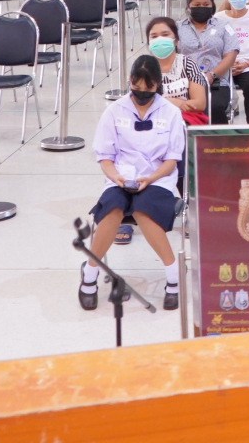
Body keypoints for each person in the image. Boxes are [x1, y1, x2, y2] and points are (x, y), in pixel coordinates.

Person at [79, 54, 185, 312]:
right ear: (130, 80)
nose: (141, 93)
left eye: (148, 89)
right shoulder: (114, 111)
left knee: (143, 210)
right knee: (112, 209)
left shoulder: (171, 113)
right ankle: (89, 276)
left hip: (158, 178)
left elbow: (172, 160)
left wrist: (151, 178)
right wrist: (115, 176)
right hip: (120, 178)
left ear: (158, 85)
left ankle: (173, 277)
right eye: (136, 87)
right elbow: (105, 156)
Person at [178, 0, 237, 125]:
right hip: (184, 83)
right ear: (189, 6)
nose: (201, 8)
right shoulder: (178, 27)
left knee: (214, 107)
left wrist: (212, 75)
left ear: (212, 5)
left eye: (206, 4)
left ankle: (219, 139)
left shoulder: (224, 26)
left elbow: (230, 56)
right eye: (197, 5)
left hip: (216, 82)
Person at [145, 16, 209, 127]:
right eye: (154, 36)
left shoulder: (188, 64)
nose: (160, 40)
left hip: (184, 120)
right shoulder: (143, 68)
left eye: (165, 35)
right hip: (153, 120)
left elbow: (200, 104)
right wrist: (175, 103)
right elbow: (139, 102)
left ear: (176, 41)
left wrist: (168, 105)